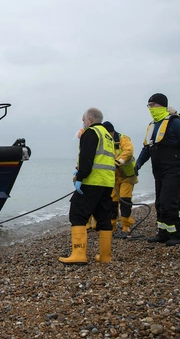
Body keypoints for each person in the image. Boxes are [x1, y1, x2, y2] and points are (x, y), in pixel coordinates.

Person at [135, 94, 180, 246]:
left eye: (153, 105)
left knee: (169, 202)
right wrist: (138, 164)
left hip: (174, 169)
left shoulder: (175, 123)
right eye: (148, 105)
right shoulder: (152, 126)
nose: (150, 108)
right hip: (159, 171)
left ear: (162, 105)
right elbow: (147, 149)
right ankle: (163, 233)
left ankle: (177, 235)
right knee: (160, 202)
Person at [59, 108, 116, 265]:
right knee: (103, 217)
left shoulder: (91, 133)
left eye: (83, 120)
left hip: (92, 182)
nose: (83, 123)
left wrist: (80, 176)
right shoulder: (107, 135)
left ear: (90, 120)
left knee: (77, 213)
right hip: (107, 182)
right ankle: (105, 256)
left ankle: (78, 254)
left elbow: (87, 157)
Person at [102, 121, 138, 235]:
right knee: (112, 201)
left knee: (125, 199)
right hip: (113, 177)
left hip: (127, 175)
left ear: (111, 132)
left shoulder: (123, 139)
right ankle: (111, 224)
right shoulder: (103, 141)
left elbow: (128, 151)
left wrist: (117, 162)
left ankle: (126, 225)